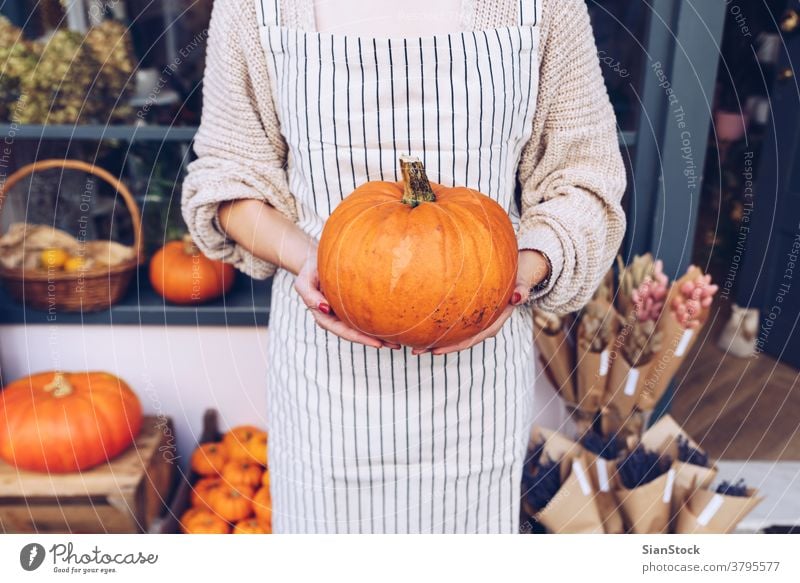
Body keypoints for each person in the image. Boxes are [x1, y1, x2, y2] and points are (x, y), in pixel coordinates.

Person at [182, 0, 626, 533]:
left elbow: (585, 180)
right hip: (324, 388)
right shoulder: (255, 8)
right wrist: (312, 260)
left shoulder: (543, 7)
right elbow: (228, 179)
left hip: (477, 392)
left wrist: (517, 273)